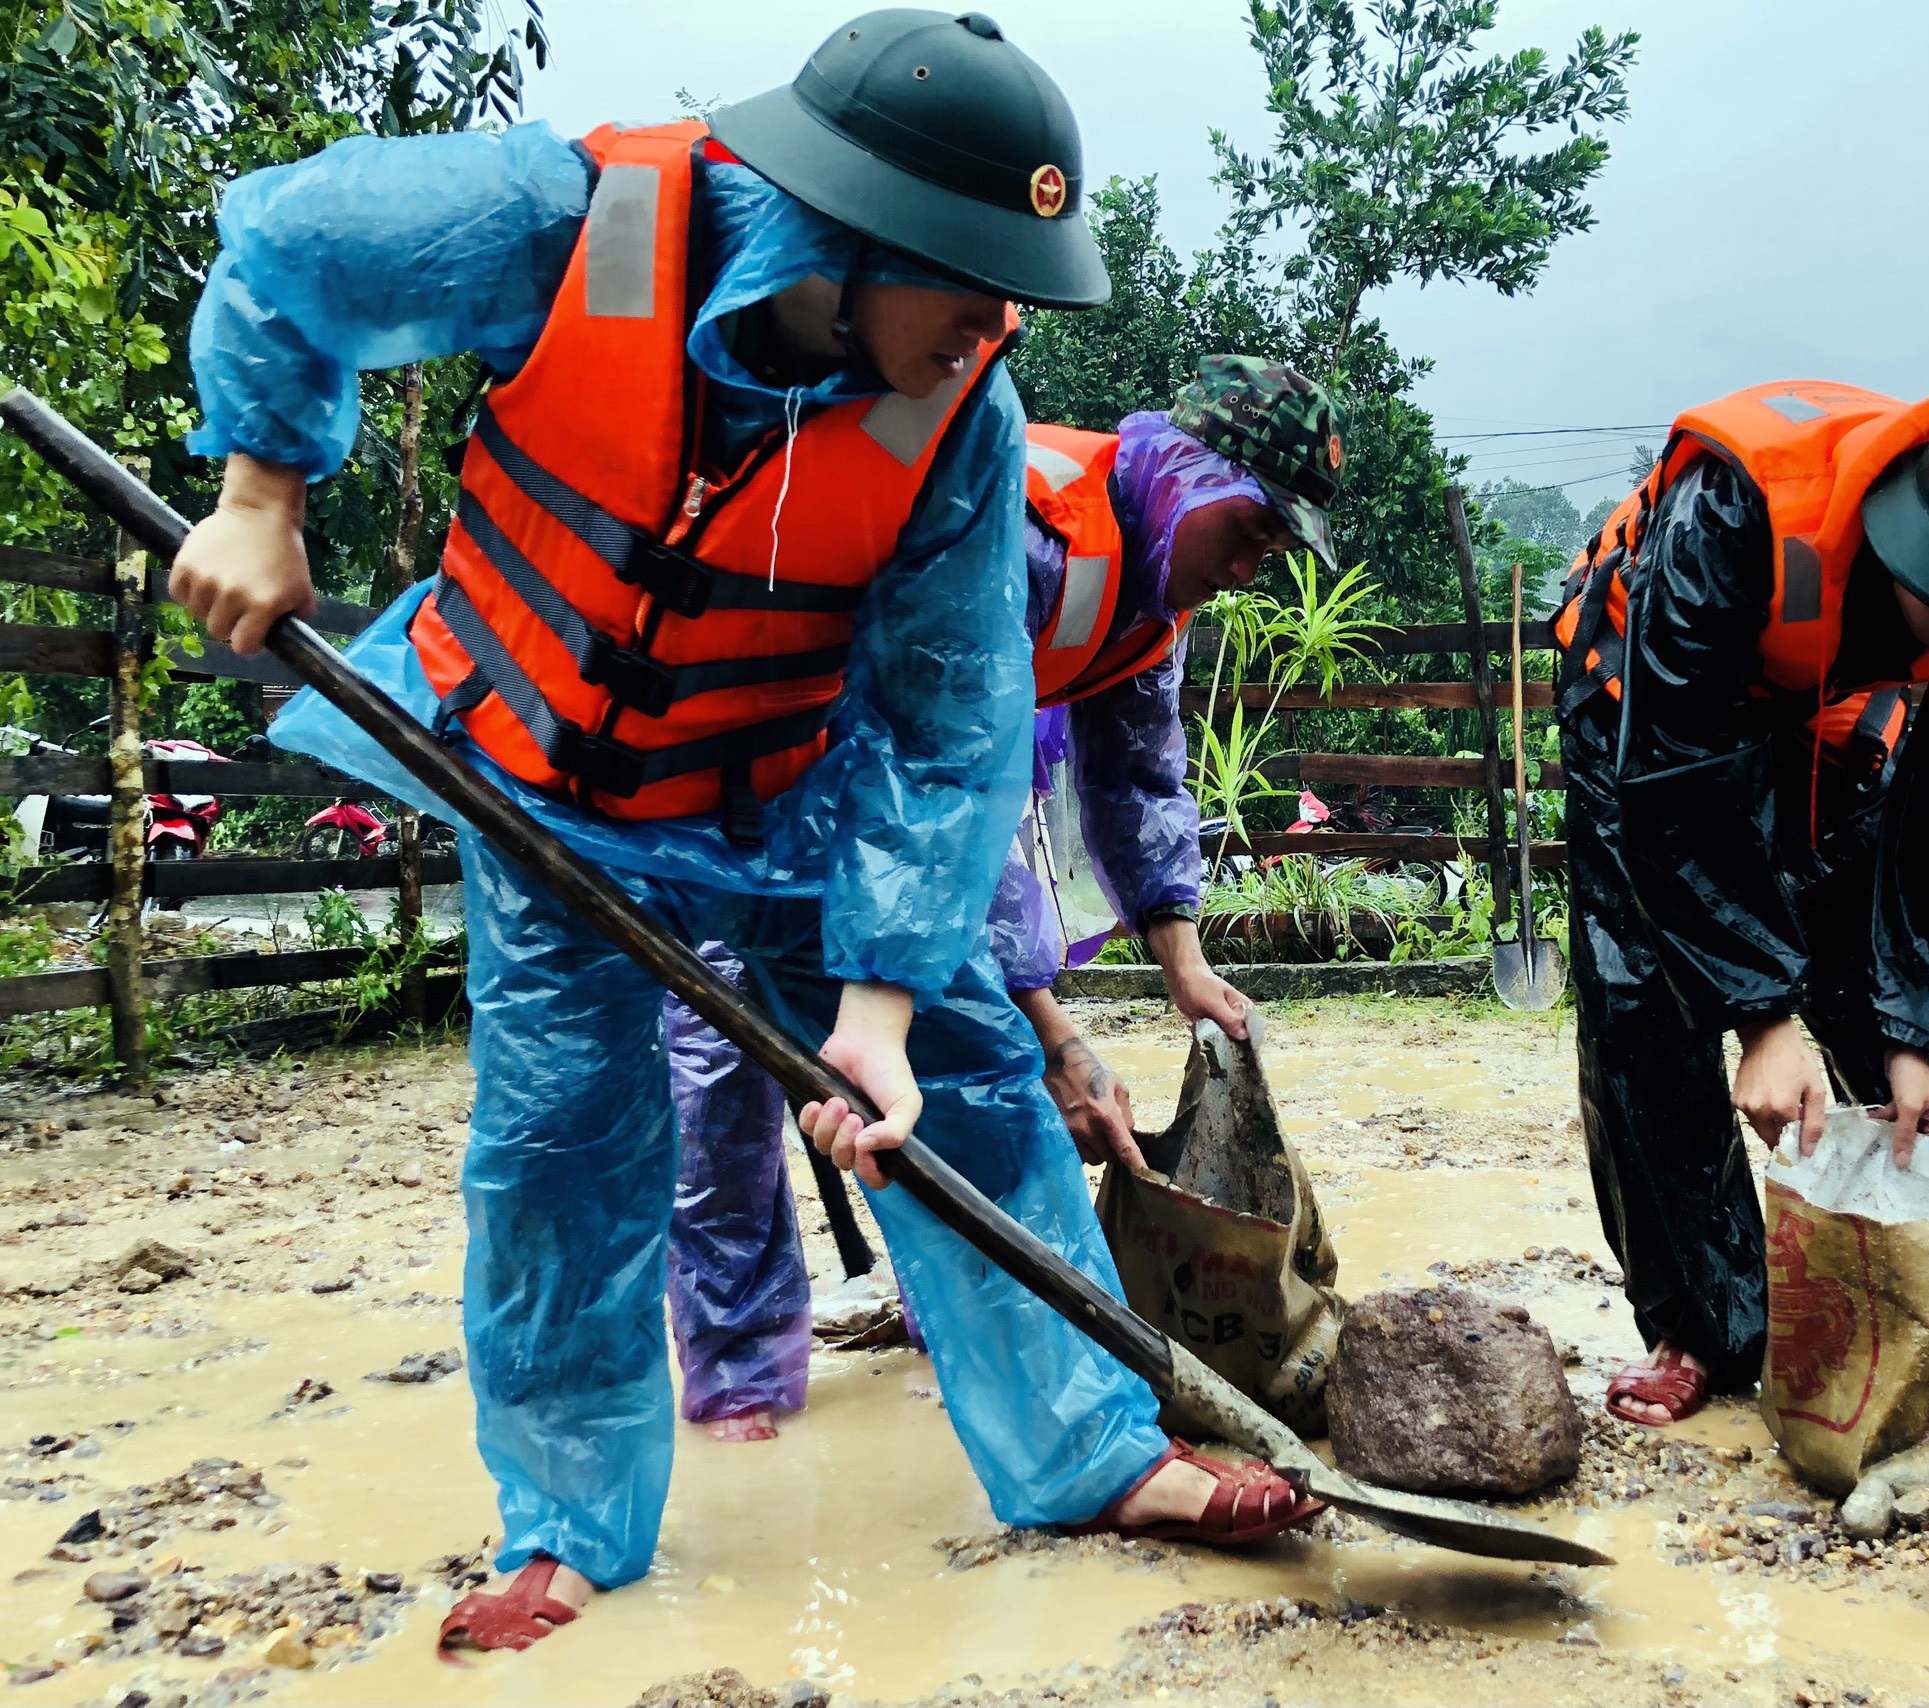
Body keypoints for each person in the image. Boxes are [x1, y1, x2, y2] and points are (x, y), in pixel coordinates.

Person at [169, 12, 1318, 1659]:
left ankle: (1094, 1451)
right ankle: (566, 1527)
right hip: (544, 775)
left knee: (971, 1089)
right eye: (970, 278)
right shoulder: (572, 227)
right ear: (848, 231)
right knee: (565, 1145)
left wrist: (877, 1011)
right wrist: (260, 497)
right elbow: (292, 244)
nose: (995, 324)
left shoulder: (965, 423)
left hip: (786, 799)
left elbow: (948, 721)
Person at [668, 359, 1347, 1442]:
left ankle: (967, 1330)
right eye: (1254, 529)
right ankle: (740, 1380)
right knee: (723, 1066)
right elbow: (949, 776)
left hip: (900, 804)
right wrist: (1055, 1035)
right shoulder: (1024, 536)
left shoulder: (1149, 596)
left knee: (939, 1077)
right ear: (1183, 471)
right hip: (754, 767)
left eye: (1275, 550)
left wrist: (1182, 965)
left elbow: (1138, 781)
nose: (1254, 566)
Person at [1548, 379, 1929, 1429]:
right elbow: (1678, 776)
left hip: (1832, 706)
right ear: (1907, 540)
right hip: (1643, 709)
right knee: (1639, 988)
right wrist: (1762, 1017)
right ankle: (1704, 1326)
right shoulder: (1735, 508)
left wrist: (1909, 1031)